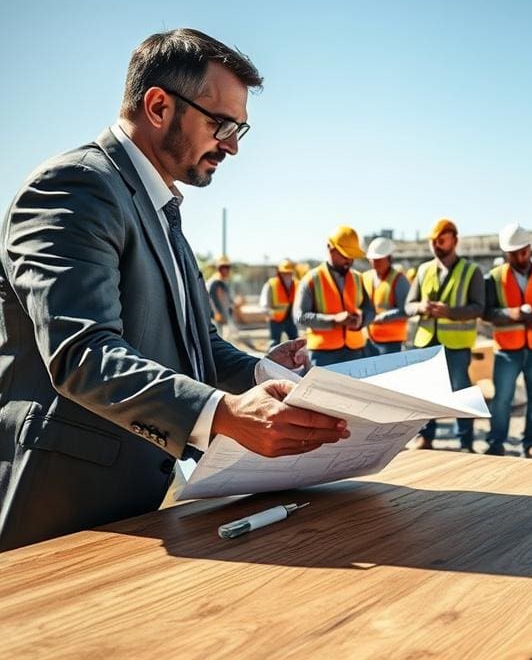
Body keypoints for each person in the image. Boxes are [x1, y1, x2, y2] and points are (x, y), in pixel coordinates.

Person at [0, 29, 348, 552]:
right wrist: (225, 415)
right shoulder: (74, 187)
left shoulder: (161, 207)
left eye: (239, 130)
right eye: (221, 124)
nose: (232, 145)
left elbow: (195, 343)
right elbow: (83, 355)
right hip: (64, 506)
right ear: (159, 106)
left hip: (143, 505)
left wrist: (261, 372)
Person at [483, 223, 532, 458]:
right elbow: (486, 312)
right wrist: (510, 314)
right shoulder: (494, 277)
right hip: (507, 350)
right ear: (505, 253)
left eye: (523, 252)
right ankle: (496, 443)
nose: (519, 258)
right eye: (513, 254)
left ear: (530, 248)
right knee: (502, 399)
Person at [405, 218, 484, 452]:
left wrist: (450, 312)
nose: (436, 245)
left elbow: (478, 308)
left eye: (441, 240)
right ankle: (425, 437)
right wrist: (421, 307)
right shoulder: (424, 270)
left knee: (462, 393)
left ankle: (466, 443)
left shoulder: (471, 271)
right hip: (427, 342)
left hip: (457, 345)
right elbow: (408, 305)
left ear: (454, 241)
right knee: (426, 392)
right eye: (433, 241)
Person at [295, 226, 373, 367]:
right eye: (345, 255)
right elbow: (300, 317)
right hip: (322, 354)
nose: (349, 261)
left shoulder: (357, 278)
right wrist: (333, 320)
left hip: (355, 351)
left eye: (352, 256)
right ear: (330, 248)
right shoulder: (312, 279)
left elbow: (370, 310)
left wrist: (361, 321)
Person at [361, 237, 410, 356]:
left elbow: (407, 310)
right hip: (367, 341)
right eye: (372, 259)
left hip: (391, 343)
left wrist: (384, 317)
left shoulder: (399, 280)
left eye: (378, 259)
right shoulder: (365, 277)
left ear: (389, 258)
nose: (375, 263)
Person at [259, 259, 299, 345]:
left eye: (289, 273)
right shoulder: (271, 284)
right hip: (275, 320)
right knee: (274, 343)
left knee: (295, 343)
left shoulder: (296, 284)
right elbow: (264, 303)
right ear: (280, 273)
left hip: (291, 319)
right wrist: (268, 313)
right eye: (285, 273)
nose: (287, 275)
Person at [207, 255, 236, 336]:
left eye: (228, 267)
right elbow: (211, 298)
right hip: (215, 318)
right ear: (220, 269)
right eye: (225, 268)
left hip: (220, 317)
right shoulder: (215, 282)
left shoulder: (222, 282)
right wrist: (217, 314)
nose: (228, 270)